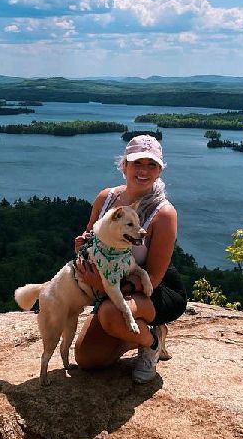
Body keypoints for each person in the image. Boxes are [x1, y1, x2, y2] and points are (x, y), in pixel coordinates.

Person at [73, 134, 187, 383]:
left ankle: (151, 342)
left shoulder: (163, 213)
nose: (144, 171)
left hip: (153, 289)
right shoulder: (106, 199)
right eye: (137, 163)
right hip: (114, 285)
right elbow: (92, 238)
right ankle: (135, 333)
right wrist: (82, 246)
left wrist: (103, 286)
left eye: (151, 165)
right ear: (124, 165)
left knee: (112, 314)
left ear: (159, 170)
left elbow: (155, 277)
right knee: (88, 359)